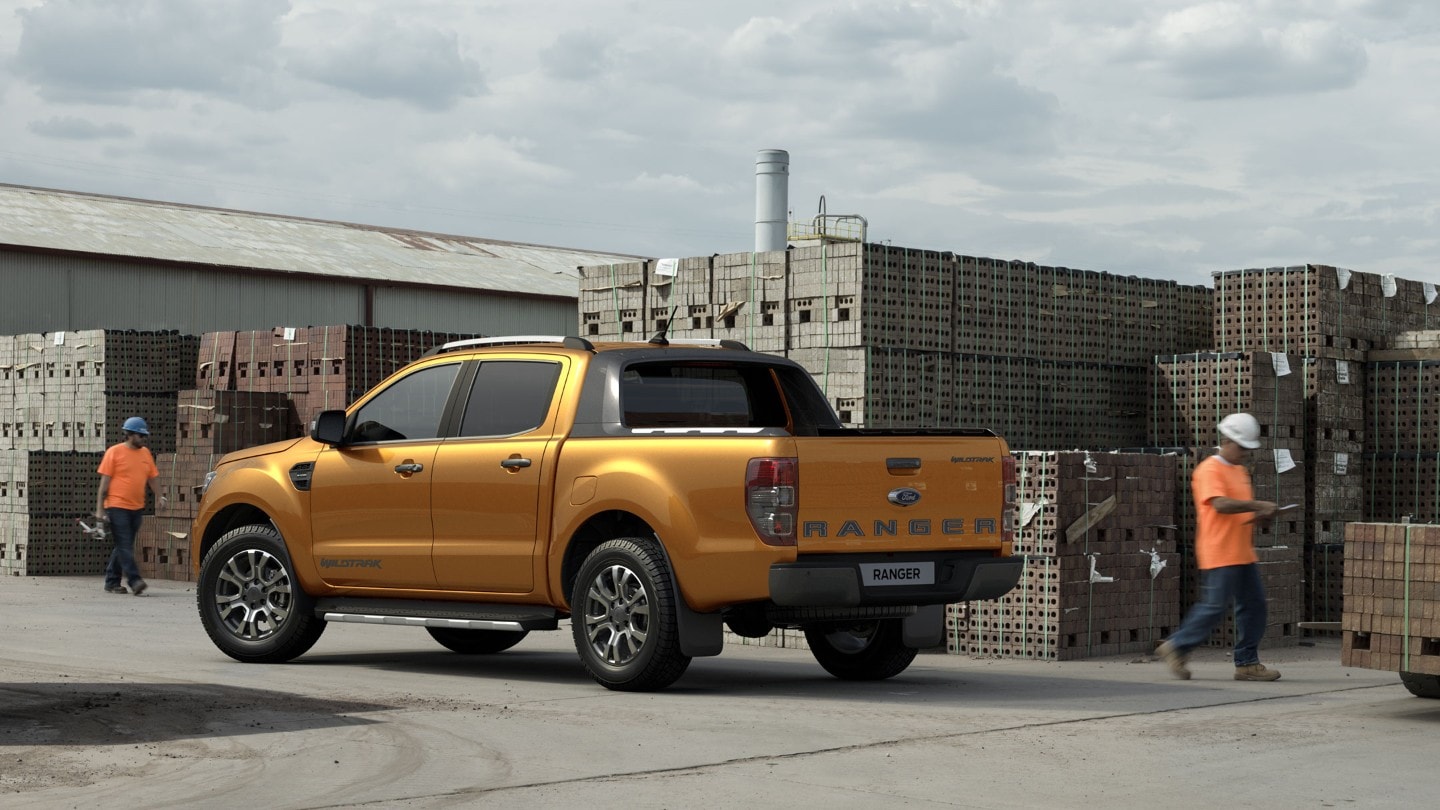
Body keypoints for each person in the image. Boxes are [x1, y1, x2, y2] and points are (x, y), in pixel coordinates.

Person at [1157, 412, 1283, 682]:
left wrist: (1261, 517)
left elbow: (1240, 510)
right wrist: (1257, 505)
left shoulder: (1239, 471)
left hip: (1241, 551)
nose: (1245, 454)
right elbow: (1220, 504)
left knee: (1254, 605)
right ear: (1226, 440)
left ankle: (1247, 663)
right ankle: (1177, 645)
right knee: (1214, 606)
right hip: (1219, 551)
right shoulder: (1209, 469)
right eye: (1242, 448)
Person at [95, 416, 167, 596]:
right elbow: (104, 485)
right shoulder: (114, 452)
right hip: (116, 505)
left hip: (137, 507)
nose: (144, 439)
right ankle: (135, 581)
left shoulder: (145, 454)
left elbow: (153, 478)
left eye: (144, 436)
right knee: (125, 544)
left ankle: (111, 581)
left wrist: (160, 496)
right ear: (130, 435)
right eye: (140, 436)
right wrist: (100, 511)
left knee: (123, 545)